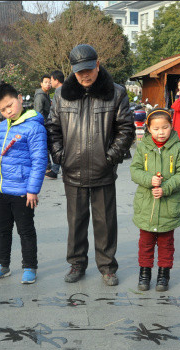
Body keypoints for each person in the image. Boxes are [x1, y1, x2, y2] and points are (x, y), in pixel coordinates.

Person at [47, 44, 134, 286]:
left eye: (88, 69)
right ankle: (77, 263)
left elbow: (125, 130)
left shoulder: (116, 93)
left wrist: (110, 159)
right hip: (72, 168)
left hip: (103, 170)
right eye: (78, 72)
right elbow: (53, 129)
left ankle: (107, 266)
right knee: (75, 221)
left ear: (97, 64)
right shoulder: (61, 94)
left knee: (105, 221)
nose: (84, 75)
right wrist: (60, 156)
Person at [0, 82, 48, 284]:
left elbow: (39, 161)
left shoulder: (34, 127)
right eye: (3, 110)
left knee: (25, 230)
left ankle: (30, 266)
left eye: (10, 105)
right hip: (0, 188)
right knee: (1, 230)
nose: (7, 112)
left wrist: (32, 190)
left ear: (20, 98)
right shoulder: (2, 127)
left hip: (22, 190)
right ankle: (2, 265)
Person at [130, 108, 180, 292]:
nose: (161, 132)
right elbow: (134, 170)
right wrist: (149, 180)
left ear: (171, 126)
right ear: (148, 128)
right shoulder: (143, 147)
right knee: (145, 243)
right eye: (156, 128)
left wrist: (166, 188)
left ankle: (164, 274)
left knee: (166, 244)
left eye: (165, 127)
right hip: (146, 206)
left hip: (169, 207)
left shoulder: (178, 148)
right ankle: (145, 273)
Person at [33, 74, 57, 180]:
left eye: (49, 82)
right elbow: (39, 112)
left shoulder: (46, 94)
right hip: (42, 124)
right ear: (41, 83)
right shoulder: (40, 96)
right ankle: (47, 167)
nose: (48, 84)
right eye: (46, 82)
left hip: (46, 123)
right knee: (45, 146)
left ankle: (48, 167)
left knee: (46, 145)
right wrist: (43, 124)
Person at [47, 70, 65, 180]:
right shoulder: (64, 90)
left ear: (56, 80)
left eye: (51, 80)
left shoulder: (59, 92)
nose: (50, 82)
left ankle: (55, 170)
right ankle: (55, 169)